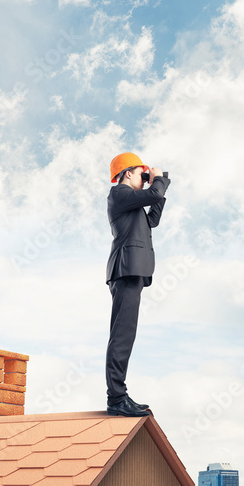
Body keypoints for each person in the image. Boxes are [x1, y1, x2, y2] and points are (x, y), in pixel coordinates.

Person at [104, 152, 170, 417]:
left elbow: (152, 218)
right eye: (140, 175)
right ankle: (117, 398)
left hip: (132, 271)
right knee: (121, 336)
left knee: (125, 335)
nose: (144, 180)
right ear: (127, 173)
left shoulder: (133, 206)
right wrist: (157, 181)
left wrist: (160, 183)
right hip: (125, 270)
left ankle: (119, 397)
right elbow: (152, 195)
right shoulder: (118, 194)